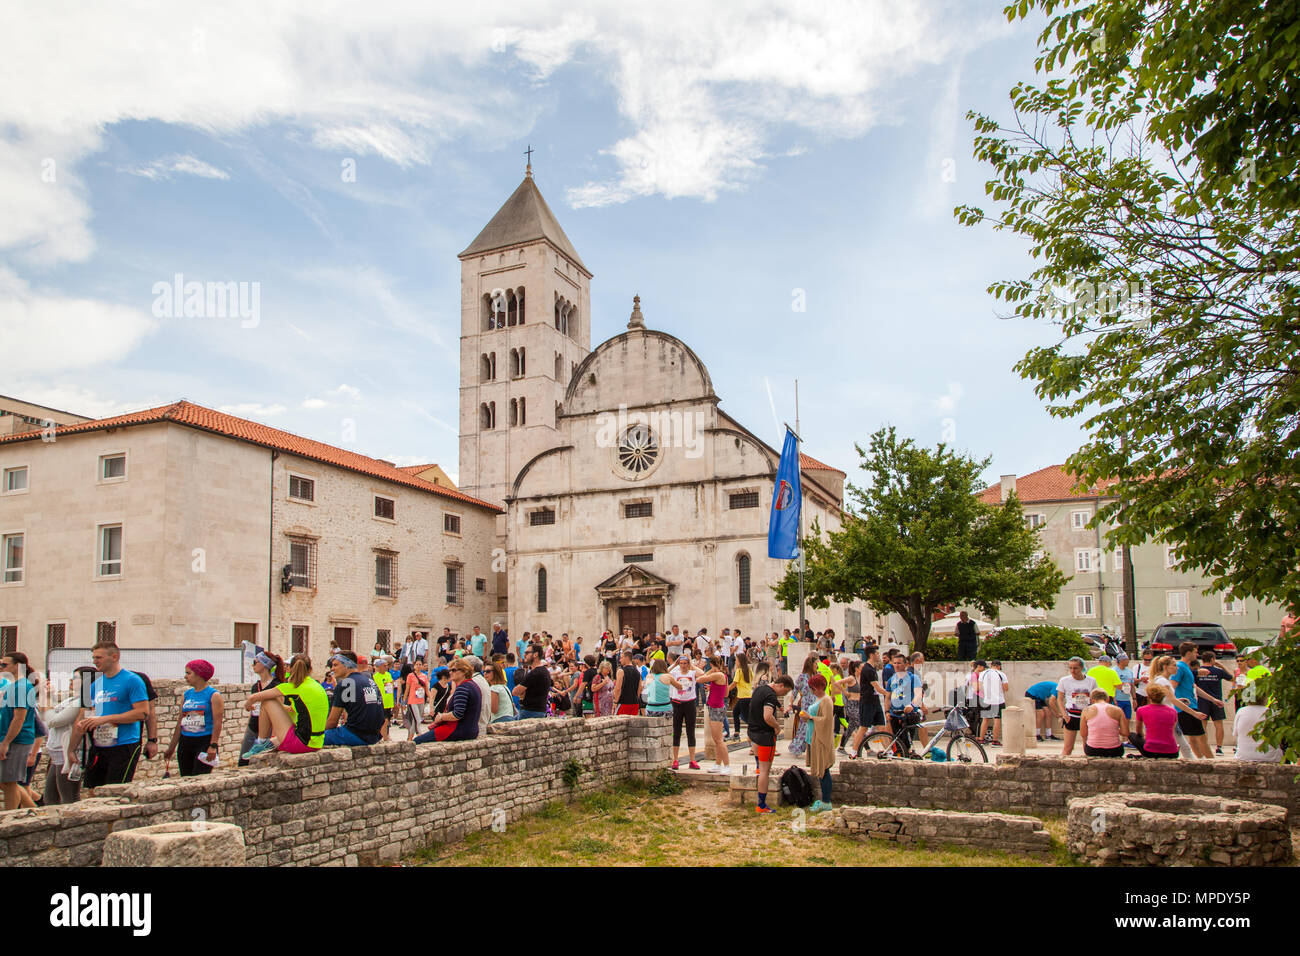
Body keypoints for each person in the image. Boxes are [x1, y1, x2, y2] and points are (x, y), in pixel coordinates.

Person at [76, 642, 150, 790]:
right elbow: (89, 712)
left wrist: (107, 718)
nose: (94, 661)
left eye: (99, 657)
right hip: (99, 744)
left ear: (114, 657)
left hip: (124, 744)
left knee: (115, 791)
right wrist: (83, 725)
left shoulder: (132, 680)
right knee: (93, 790)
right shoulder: (94, 684)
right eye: (93, 657)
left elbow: (143, 713)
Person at [241, 655, 330, 757]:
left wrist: (248, 706)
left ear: (290, 669)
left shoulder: (293, 687)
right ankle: (267, 744)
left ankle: (261, 742)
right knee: (273, 741)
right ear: (310, 669)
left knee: (267, 701)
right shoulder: (317, 686)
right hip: (317, 742)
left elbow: (253, 698)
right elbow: (297, 711)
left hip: (301, 743)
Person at [164, 660, 224, 776]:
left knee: (199, 777)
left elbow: (218, 722)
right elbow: (180, 722)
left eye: (188, 673)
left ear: (199, 674)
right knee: (186, 777)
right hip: (186, 741)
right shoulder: (186, 695)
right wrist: (171, 747)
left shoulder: (213, 695)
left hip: (204, 741)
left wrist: (213, 745)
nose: (185, 676)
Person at [747, 672, 793, 813]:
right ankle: (761, 805)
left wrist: (778, 706)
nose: (783, 695)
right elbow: (767, 716)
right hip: (765, 736)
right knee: (765, 771)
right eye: (784, 691)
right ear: (780, 685)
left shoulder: (760, 689)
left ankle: (757, 768)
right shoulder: (771, 696)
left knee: (760, 768)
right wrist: (777, 726)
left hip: (753, 732)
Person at [0, 651, 39, 810]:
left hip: (17, 739)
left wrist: (6, 742)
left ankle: (9, 818)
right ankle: (34, 811)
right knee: (5, 781)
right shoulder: (14, 686)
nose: (1, 667)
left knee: (9, 781)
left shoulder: (22, 687)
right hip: (10, 738)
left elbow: (19, 717)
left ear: (17, 666)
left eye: (5, 664)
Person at [42, 674, 86, 805]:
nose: (71, 680)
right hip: (56, 753)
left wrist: (48, 700)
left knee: (69, 798)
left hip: (66, 754)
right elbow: (45, 718)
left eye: (76, 678)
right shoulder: (70, 700)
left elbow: (53, 720)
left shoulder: (80, 702)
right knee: (50, 798)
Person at [414, 659, 481, 742]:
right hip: (472, 730)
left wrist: (441, 717)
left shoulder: (462, 688)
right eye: (450, 670)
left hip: (458, 730)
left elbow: (457, 714)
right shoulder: (473, 685)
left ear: (464, 671)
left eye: (453, 670)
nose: (450, 673)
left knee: (416, 741)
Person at [240, 652, 284, 766]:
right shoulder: (256, 686)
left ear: (264, 664)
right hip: (253, 726)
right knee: (243, 760)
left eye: (255, 662)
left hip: (268, 729)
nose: (253, 665)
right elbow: (250, 707)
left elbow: (280, 710)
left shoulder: (276, 685)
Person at [1173, 642, 1215, 759]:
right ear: (1188, 653)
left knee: (1193, 737)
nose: (1197, 654)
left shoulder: (1186, 668)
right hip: (1186, 707)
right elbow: (1172, 686)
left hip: (1192, 705)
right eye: (1195, 652)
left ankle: (1200, 759)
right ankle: (1210, 761)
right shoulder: (1180, 667)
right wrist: (1178, 701)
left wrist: (1212, 699)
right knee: (1201, 736)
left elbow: (1194, 687)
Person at [803, 674, 835, 813]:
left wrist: (811, 717)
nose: (812, 690)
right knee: (821, 772)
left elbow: (827, 720)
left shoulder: (826, 701)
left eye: (813, 688)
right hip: (813, 736)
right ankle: (823, 800)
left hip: (822, 738)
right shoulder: (819, 699)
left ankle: (826, 801)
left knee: (824, 770)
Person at [847, 647, 887, 758]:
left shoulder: (873, 669)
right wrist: (889, 694)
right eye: (877, 653)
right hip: (867, 702)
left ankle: (888, 751)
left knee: (882, 727)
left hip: (875, 701)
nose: (879, 655)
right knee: (863, 727)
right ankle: (854, 751)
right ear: (871, 655)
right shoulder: (867, 669)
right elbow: (877, 687)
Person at [667, 652, 705, 770]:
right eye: (681, 663)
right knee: (676, 731)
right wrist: (675, 663)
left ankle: (692, 760)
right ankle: (675, 759)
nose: (683, 666)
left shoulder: (692, 672)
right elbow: (666, 672)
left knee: (690, 731)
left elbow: (701, 673)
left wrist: (692, 665)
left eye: (685, 663)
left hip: (689, 703)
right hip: (677, 703)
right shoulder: (675, 673)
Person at [1232, 677, 1280, 763]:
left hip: (1244, 756)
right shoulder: (1272, 712)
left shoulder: (1241, 711)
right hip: (1270, 757)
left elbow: (1236, 733)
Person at [1056, 657, 1098, 756]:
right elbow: (1059, 699)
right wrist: (1064, 715)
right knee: (1068, 747)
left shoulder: (1091, 681)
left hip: (1086, 714)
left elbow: (1094, 697)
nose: (1072, 671)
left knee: (1087, 745)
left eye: (1075, 668)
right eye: (1070, 668)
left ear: (1081, 668)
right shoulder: (1064, 680)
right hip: (1071, 714)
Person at [1194, 651, 1232, 754]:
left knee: (1203, 724)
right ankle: (1219, 747)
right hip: (1217, 700)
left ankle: (1203, 746)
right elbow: (1231, 677)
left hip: (1202, 700)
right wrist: (1221, 666)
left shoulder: (1198, 671)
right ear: (1212, 660)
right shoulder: (1218, 671)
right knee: (1218, 724)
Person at [886, 654, 924, 754]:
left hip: (909, 714)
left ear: (905, 664)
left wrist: (912, 705)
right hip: (894, 714)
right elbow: (888, 697)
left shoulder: (913, 678)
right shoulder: (892, 679)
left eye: (899, 663)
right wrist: (886, 711)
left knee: (906, 743)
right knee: (898, 743)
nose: (897, 665)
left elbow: (918, 694)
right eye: (894, 663)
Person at [699, 656, 731, 775]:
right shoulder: (723, 676)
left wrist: (709, 671)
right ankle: (718, 764)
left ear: (711, 664)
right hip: (715, 706)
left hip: (716, 708)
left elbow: (700, 679)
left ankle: (727, 765)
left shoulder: (718, 675)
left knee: (718, 739)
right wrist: (713, 688)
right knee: (717, 739)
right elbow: (726, 692)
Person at [1133, 684, 1179, 758]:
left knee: (1132, 735)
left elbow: (1138, 730)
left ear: (1148, 697)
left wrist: (1144, 737)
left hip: (1151, 751)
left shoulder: (1141, 710)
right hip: (1172, 751)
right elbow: (1171, 730)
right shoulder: (1173, 711)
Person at [1080, 689, 1129, 757]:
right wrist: (1114, 729)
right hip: (1114, 750)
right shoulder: (1118, 710)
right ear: (1108, 699)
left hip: (1092, 749)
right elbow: (1125, 733)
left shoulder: (1086, 710)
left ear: (1092, 700)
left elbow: (1083, 734)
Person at [787, 656, 819, 757]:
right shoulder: (802, 677)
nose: (817, 666)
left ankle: (813, 747)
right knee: (804, 726)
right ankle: (798, 747)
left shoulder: (817, 676)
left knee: (814, 726)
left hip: (816, 703)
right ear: (811, 665)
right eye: (815, 664)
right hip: (806, 704)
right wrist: (790, 704)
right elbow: (794, 691)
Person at [512, 644, 553, 720]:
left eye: (527, 653)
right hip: (539, 711)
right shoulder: (544, 671)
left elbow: (515, 692)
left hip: (530, 712)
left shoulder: (534, 673)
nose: (524, 655)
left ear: (535, 654)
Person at [979, 659, 1009, 746]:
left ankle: (981, 739)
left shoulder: (983, 673)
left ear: (991, 665)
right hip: (998, 700)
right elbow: (1006, 688)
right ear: (999, 666)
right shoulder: (1001, 674)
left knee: (985, 720)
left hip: (986, 700)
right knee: (997, 720)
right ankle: (995, 740)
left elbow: (980, 686)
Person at [729, 652, 753, 741]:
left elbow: (734, 683)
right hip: (748, 695)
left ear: (740, 661)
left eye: (736, 660)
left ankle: (753, 731)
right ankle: (737, 732)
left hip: (743, 697)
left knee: (747, 718)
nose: (735, 662)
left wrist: (726, 690)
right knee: (735, 712)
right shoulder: (749, 669)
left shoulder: (739, 670)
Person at [404, 658, 430, 738]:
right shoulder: (410, 676)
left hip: (421, 700)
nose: (418, 666)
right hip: (413, 700)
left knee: (417, 720)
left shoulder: (424, 676)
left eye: (420, 665)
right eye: (417, 664)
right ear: (414, 666)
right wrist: (404, 700)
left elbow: (426, 689)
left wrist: (430, 698)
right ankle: (419, 735)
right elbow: (407, 688)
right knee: (417, 719)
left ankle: (410, 738)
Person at [612, 650, 641, 717]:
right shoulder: (637, 672)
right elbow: (640, 688)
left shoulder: (621, 671)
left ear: (626, 658)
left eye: (621, 658)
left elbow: (618, 688)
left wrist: (615, 701)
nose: (620, 660)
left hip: (623, 703)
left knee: (619, 724)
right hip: (634, 703)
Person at [372, 655, 396, 738]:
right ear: (379, 667)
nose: (386, 667)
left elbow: (391, 687)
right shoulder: (375, 677)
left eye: (387, 665)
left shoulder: (388, 675)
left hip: (388, 700)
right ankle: (383, 736)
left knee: (388, 719)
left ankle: (386, 734)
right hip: (381, 701)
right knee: (383, 720)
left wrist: (394, 700)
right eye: (384, 666)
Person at [1113, 653, 1135, 719]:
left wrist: (1134, 699)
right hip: (1117, 699)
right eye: (1127, 659)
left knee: (1127, 719)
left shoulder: (1129, 671)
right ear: (1121, 661)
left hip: (1126, 699)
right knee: (1117, 720)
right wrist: (1113, 699)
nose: (1128, 661)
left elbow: (1132, 686)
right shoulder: (1113, 671)